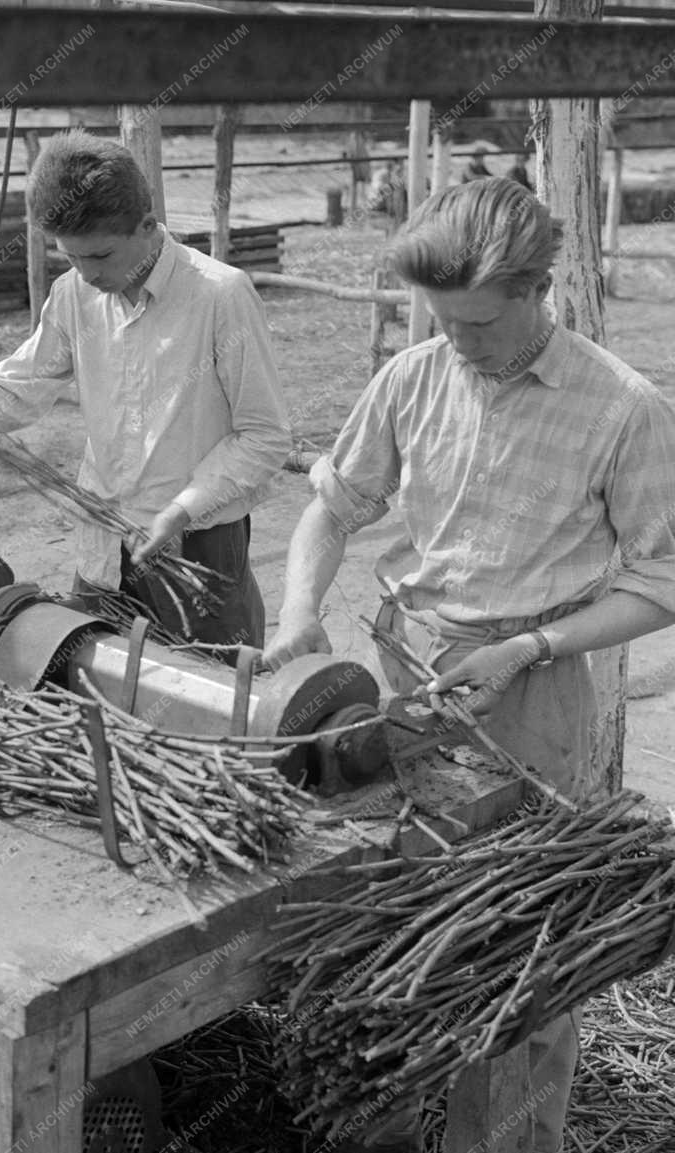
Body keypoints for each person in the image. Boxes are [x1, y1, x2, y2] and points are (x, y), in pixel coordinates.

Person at [263, 176, 675, 1152]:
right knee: (400, 913)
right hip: (402, 679)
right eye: (442, 322)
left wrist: (530, 646)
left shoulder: (623, 408)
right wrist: (297, 607)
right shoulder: (410, 377)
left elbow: (663, 580)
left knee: (516, 948)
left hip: (527, 693)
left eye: (479, 324)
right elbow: (333, 505)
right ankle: (397, 1117)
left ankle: (514, 1139)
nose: (459, 343)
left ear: (539, 292)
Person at [0, 131, 290, 652]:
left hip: (198, 545)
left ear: (148, 225)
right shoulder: (74, 296)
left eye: (101, 256)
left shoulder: (219, 296)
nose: (88, 275)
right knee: (97, 685)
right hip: (104, 546)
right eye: (72, 259)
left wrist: (183, 509)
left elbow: (263, 437)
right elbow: (13, 394)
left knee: (214, 697)